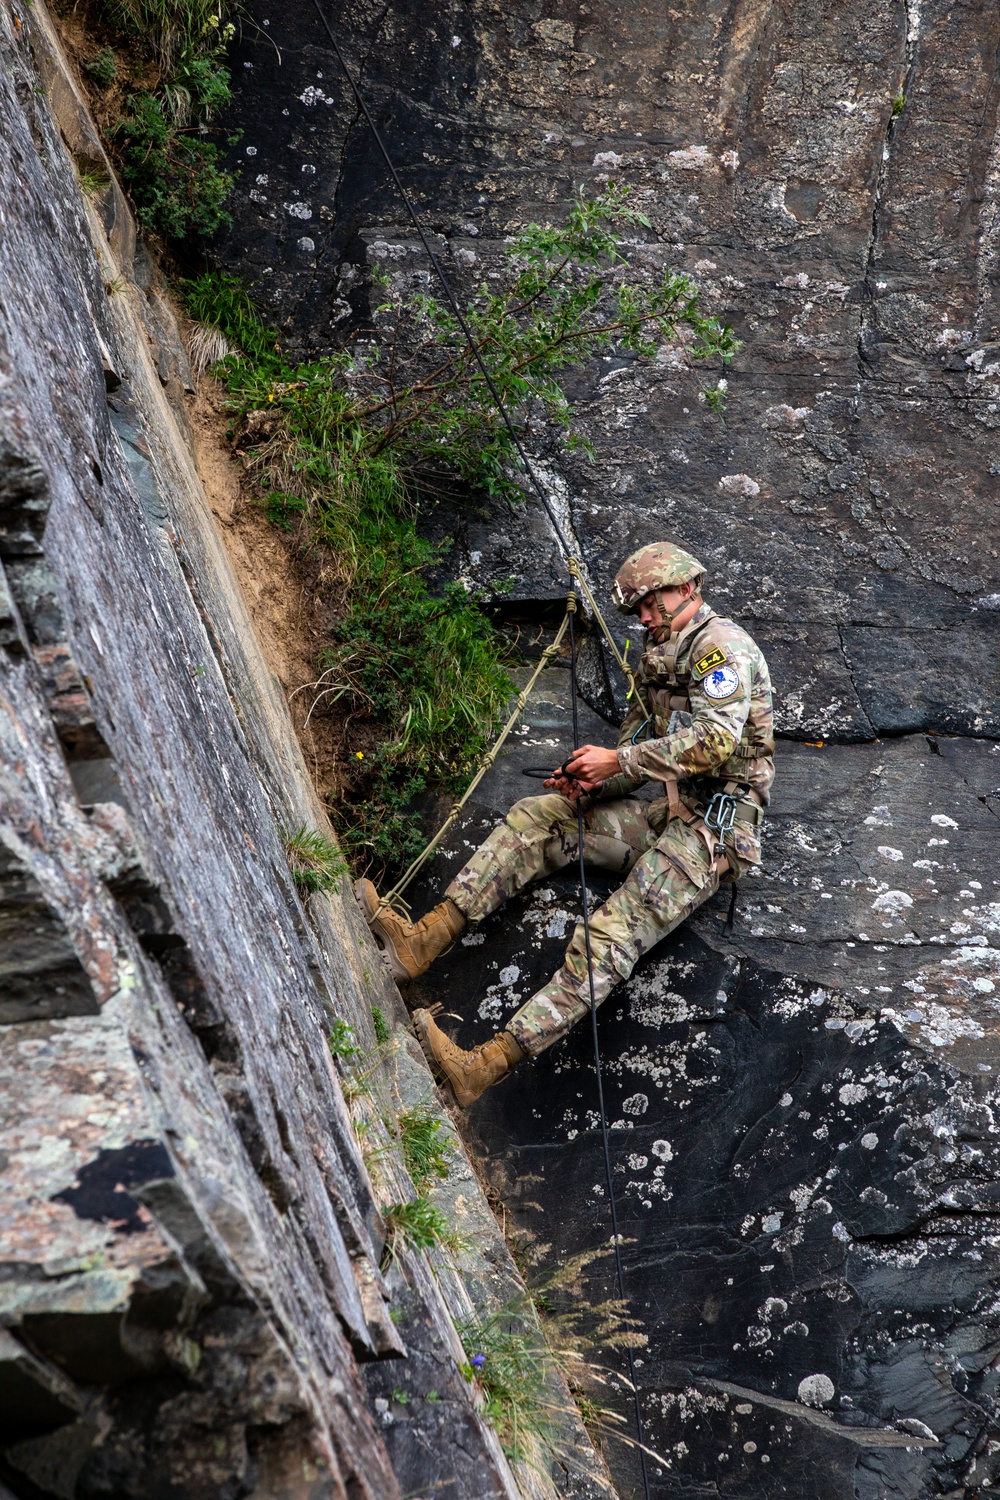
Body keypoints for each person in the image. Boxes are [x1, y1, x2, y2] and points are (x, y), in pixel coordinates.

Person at [356, 541, 774, 1107]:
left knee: (607, 937)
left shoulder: (719, 650)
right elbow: (637, 745)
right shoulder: (659, 656)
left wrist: (617, 763)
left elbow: (715, 742)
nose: (645, 617)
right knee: (541, 817)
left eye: (651, 603)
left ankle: (481, 1066)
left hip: (712, 835)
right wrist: (594, 780)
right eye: (639, 609)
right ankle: (421, 942)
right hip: (664, 811)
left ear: (686, 588)